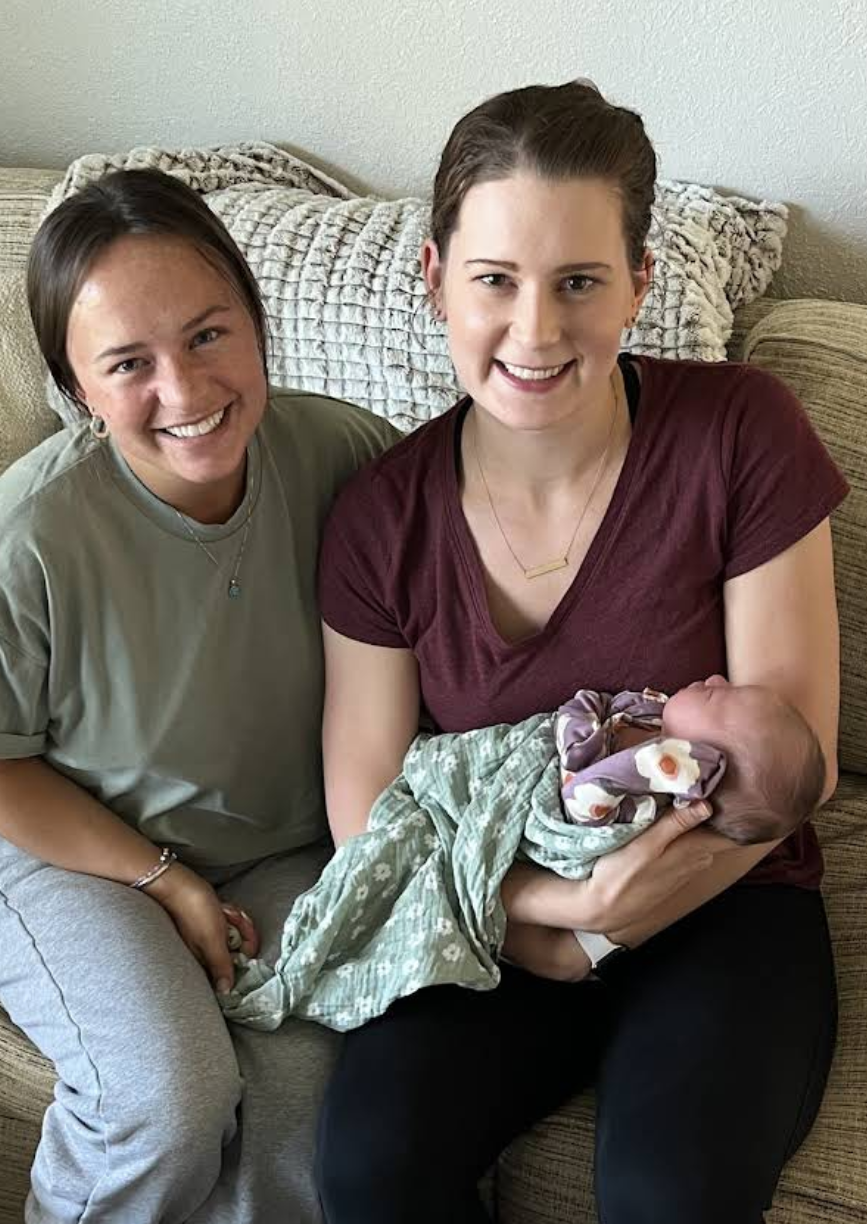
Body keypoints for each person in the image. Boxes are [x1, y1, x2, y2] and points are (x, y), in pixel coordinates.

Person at [313, 81, 848, 1223]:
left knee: (670, 1195)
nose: (536, 331)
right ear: (434, 280)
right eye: (494, 281)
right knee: (365, 1170)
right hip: (493, 919)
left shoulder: (741, 435)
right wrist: (548, 922)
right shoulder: (377, 519)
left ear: (638, 283)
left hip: (728, 907)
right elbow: (366, 810)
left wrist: (607, 922)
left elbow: (791, 764)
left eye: (579, 282)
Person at [0, 168, 396, 1223]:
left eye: (210, 335)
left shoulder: (344, 454)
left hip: (285, 846)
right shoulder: (23, 537)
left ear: (256, 328)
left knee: (313, 1124)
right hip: (61, 844)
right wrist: (162, 879)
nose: (185, 388)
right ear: (78, 391)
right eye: (128, 364)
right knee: (166, 1103)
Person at [220, 676, 826, 1034]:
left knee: (669, 1183)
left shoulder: (652, 774)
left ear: (700, 764)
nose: (717, 680)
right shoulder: (654, 727)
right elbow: (364, 788)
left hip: (710, 926)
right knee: (375, 1161)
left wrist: (585, 934)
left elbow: (581, 803)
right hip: (524, 911)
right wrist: (573, 918)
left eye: (724, 700)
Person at [558, 678, 827, 845]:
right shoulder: (654, 717)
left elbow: (580, 803)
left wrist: (583, 712)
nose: (716, 678)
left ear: (696, 760)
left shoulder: (644, 806)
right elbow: (613, 705)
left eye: (714, 696)